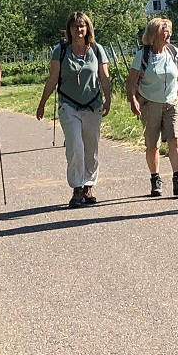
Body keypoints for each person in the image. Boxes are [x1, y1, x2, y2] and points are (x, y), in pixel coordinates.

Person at [36, 12, 113, 208]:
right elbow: (53, 79)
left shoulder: (97, 50)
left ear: (88, 29)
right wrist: (42, 103)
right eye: (74, 26)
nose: (78, 30)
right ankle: (77, 187)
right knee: (76, 146)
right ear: (69, 30)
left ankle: (89, 184)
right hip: (68, 105)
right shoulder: (60, 51)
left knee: (91, 147)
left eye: (82, 26)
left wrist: (108, 99)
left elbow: (104, 77)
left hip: (93, 105)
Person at [125, 18, 178, 197]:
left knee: (175, 139)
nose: (168, 35)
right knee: (152, 145)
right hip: (150, 104)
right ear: (154, 34)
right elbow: (131, 81)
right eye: (164, 32)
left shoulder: (173, 51)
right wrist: (133, 100)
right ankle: (155, 178)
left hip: (172, 102)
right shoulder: (143, 55)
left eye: (169, 31)